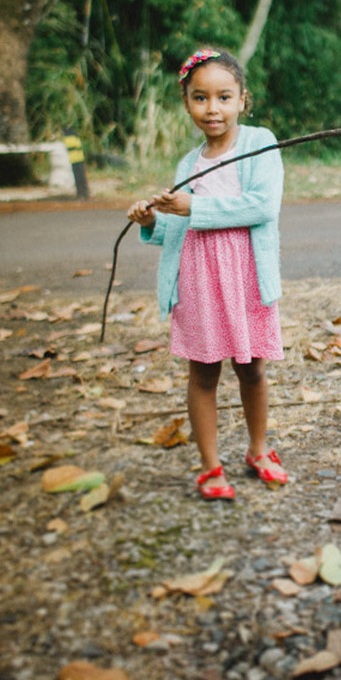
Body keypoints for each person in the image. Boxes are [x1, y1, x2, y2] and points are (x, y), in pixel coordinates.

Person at [126, 48, 288, 501]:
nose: (212, 108)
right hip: (199, 281)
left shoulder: (259, 144)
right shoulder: (188, 163)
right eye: (200, 98)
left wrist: (194, 206)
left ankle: (258, 448)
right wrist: (153, 221)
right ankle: (210, 465)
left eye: (223, 97)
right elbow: (180, 230)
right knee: (202, 374)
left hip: (245, 277)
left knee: (252, 370)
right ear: (186, 103)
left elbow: (262, 206)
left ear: (242, 100)